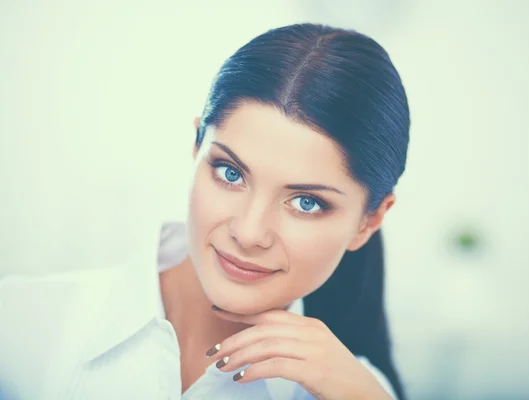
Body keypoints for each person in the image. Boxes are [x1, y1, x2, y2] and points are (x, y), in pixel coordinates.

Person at [0, 22, 410, 399]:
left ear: (369, 221)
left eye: (307, 202)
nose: (249, 232)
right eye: (230, 173)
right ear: (197, 148)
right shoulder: (20, 324)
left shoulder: (356, 391)